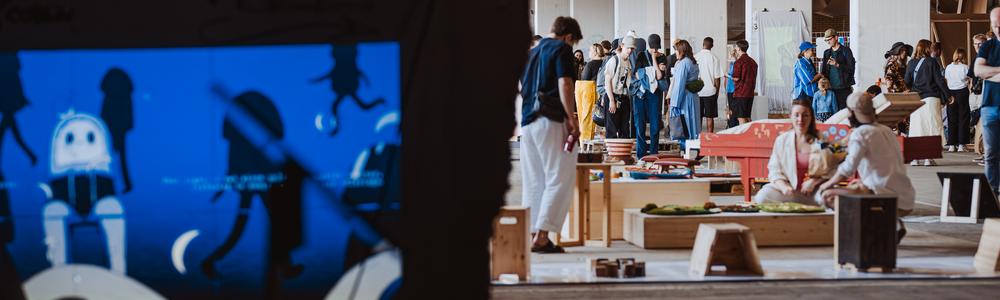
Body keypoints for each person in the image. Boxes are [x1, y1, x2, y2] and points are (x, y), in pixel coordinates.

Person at [518, 16, 582, 253]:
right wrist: (571, 118)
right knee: (560, 176)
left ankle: (533, 233)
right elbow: (565, 84)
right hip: (550, 119)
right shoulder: (561, 49)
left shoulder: (531, 52)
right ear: (568, 37)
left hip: (528, 122)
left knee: (534, 179)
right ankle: (543, 235)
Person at [818, 92, 916, 243]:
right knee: (857, 186)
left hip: (884, 195)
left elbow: (848, 169)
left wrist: (826, 184)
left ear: (851, 113)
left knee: (827, 196)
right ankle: (891, 223)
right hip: (906, 197)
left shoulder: (861, 133)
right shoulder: (886, 130)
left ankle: (866, 231)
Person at [754, 100, 831, 205]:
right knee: (762, 197)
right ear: (791, 117)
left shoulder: (821, 139)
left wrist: (813, 182)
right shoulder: (782, 140)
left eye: (805, 115)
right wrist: (784, 187)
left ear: (811, 117)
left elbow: (831, 168)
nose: (800, 120)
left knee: (832, 198)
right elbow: (774, 169)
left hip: (813, 191)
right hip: (788, 192)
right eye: (796, 115)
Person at [905, 39, 951, 166]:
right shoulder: (932, 62)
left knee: (916, 128)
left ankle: (915, 158)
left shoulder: (911, 63)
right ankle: (928, 158)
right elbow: (939, 80)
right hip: (931, 98)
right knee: (931, 127)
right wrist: (948, 95)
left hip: (916, 98)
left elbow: (907, 81)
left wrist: (914, 88)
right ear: (927, 48)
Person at [974, 7, 1000, 196]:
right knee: (990, 153)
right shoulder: (988, 46)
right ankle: (992, 192)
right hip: (990, 106)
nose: (997, 28)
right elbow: (977, 71)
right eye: (994, 25)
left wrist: (990, 72)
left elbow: (985, 71)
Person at [630, 35, 665, 159]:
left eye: (657, 48)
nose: (655, 50)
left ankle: (654, 154)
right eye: (653, 47)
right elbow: (637, 75)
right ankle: (641, 155)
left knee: (655, 125)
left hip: (655, 95)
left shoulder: (662, 57)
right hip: (641, 94)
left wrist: (654, 60)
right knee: (640, 125)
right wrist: (653, 72)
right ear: (649, 45)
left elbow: (660, 76)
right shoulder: (641, 55)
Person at [668, 39, 701, 147]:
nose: (675, 53)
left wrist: (674, 104)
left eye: (677, 50)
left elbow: (679, 85)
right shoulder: (692, 61)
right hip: (693, 97)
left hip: (684, 98)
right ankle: (695, 148)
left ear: (681, 50)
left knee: (684, 125)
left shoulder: (683, 63)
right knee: (693, 123)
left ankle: (686, 149)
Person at [604, 36, 635, 139]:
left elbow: (629, 82)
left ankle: (623, 154)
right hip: (612, 96)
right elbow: (607, 82)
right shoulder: (614, 60)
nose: (630, 50)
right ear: (622, 46)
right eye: (628, 48)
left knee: (625, 129)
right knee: (612, 129)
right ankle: (612, 154)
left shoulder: (628, 62)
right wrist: (611, 100)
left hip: (624, 97)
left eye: (632, 48)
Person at [820, 29, 857, 111]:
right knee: (832, 113)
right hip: (830, 88)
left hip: (844, 88)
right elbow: (824, 71)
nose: (828, 42)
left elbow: (851, 69)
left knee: (845, 112)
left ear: (836, 37)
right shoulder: (826, 53)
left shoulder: (846, 51)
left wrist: (837, 64)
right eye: (826, 40)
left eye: (830, 39)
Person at [945, 48, 971, 152]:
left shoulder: (948, 67)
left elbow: (946, 80)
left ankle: (951, 144)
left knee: (951, 119)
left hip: (951, 93)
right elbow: (968, 79)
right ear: (963, 56)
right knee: (963, 118)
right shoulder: (965, 67)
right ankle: (961, 144)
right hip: (962, 92)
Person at [695, 37, 721, 133]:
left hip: (698, 92)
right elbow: (717, 78)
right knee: (710, 117)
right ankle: (710, 138)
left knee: (698, 117)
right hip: (711, 92)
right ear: (712, 46)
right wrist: (717, 93)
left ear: (703, 44)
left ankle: (698, 138)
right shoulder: (715, 58)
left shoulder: (695, 57)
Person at [970, 34, 988, 164]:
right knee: (978, 124)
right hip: (975, 94)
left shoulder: (989, 57)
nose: (977, 47)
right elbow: (971, 77)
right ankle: (984, 153)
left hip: (985, 94)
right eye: (975, 44)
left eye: (979, 44)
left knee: (985, 124)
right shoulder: (976, 58)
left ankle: (987, 155)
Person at [731, 40, 757, 124]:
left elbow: (736, 78)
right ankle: (751, 135)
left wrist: (728, 76)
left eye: (736, 47)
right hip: (750, 93)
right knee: (748, 117)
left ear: (738, 48)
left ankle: (744, 136)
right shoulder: (753, 62)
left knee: (741, 117)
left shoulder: (739, 62)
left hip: (741, 93)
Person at [724, 47, 739, 128]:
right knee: (731, 109)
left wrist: (727, 75)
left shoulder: (735, 63)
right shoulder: (731, 64)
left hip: (734, 90)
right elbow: (726, 77)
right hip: (730, 89)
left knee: (733, 109)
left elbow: (729, 76)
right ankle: (731, 124)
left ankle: (733, 125)